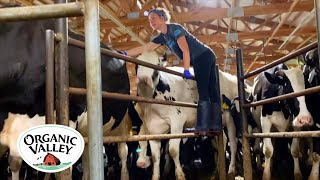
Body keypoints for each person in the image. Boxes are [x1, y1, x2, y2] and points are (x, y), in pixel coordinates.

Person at [123, 7, 221, 134]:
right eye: (149, 20)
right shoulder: (162, 37)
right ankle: (215, 125)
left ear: (162, 18)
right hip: (204, 56)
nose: (151, 21)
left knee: (204, 89)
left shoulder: (175, 29)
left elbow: (185, 50)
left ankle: (203, 125)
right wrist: (125, 53)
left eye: (153, 18)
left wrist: (186, 70)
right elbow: (146, 47)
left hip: (202, 56)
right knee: (212, 89)